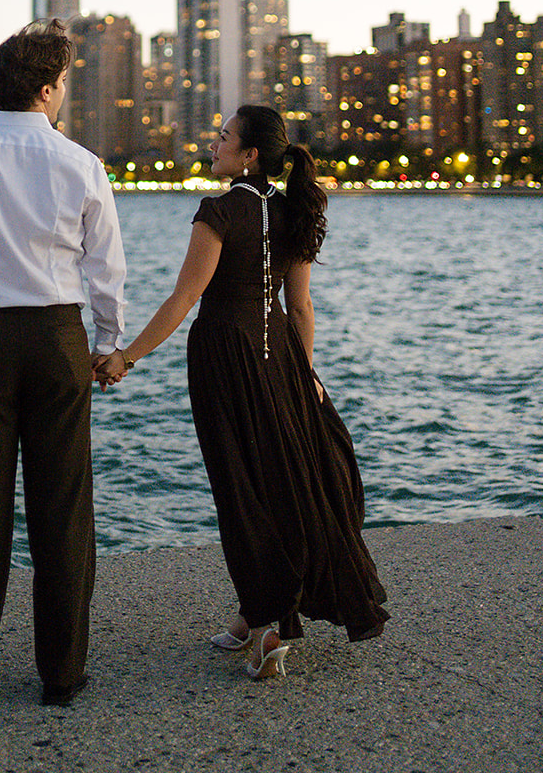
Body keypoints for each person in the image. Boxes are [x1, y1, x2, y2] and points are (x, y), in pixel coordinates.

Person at [95, 105, 387, 679]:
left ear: (249, 154)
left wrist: (125, 356)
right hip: (280, 356)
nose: (215, 142)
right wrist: (307, 376)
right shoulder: (292, 210)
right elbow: (299, 306)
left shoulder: (219, 212)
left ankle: (267, 627)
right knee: (277, 481)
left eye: (225, 136)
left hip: (225, 356)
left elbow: (184, 300)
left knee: (239, 487)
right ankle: (253, 614)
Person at [0, 20, 126, 706]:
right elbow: (105, 269)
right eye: (62, 83)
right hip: (58, 339)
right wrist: (106, 342)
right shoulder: (80, 164)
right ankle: (61, 674)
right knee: (62, 510)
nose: (63, 94)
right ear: (45, 89)